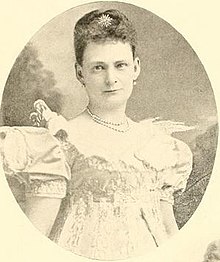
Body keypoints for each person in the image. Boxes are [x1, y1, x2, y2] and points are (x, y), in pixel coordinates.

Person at [0, 9, 193, 260]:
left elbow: (168, 229)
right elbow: (33, 239)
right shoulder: (59, 142)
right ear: (80, 73)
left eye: (120, 65)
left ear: (135, 68)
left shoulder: (162, 146)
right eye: (98, 68)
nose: (111, 78)